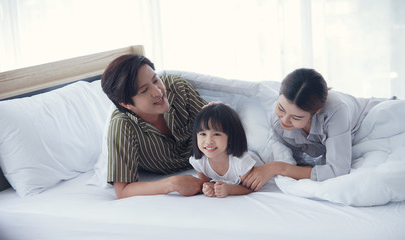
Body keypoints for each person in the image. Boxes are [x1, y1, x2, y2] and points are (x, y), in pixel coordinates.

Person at [242, 68, 393, 191]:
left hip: (373, 122)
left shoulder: (335, 111)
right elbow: (297, 162)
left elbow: (337, 170)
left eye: (296, 117)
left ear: (316, 112)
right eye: (281, 108)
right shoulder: (278, 122)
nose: (285, 120)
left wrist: (277, 168)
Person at [101, 54, 208, 199]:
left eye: (156, 80)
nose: (158, 92)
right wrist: (172, 184)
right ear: (126, 104)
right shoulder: (123, 125)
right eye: (144, 90)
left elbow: (220, 131)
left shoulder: (178, 89)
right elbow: (123, 190)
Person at [189, 103, 259, 198]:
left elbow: (249, 188)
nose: (208, 141)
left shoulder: (241, 162)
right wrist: (208, 187)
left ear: (231, 137)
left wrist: (229, 189)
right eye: (203, 134)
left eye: (216, 134)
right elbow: (206, 182)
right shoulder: (199, 161)